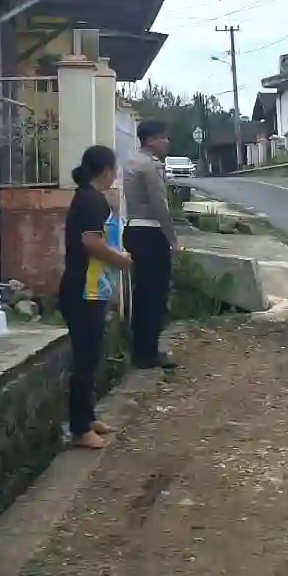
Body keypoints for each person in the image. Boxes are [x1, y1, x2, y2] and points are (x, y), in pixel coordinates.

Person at [58, 145, 135, 449]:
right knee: (85, 358)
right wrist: (121, 260)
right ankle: (79, 429)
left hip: (90, 288)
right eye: (114, 169)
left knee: (91, 356)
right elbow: (92, 242)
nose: (115, 175)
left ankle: (88, 418)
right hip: (83, 290)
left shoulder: (89, 197)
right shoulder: (92, 201)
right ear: (105, 170)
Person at [122, 119, 180, 370]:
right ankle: (149, 353)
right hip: (151, 233)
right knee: (155, 295)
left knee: (142, 294)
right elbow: (160, 205)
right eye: (163, 137)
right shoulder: (151, 166)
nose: (166, 142)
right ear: (151, 140)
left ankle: (141, 351)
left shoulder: (131, 161)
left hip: (133, 228)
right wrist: (173, 239)